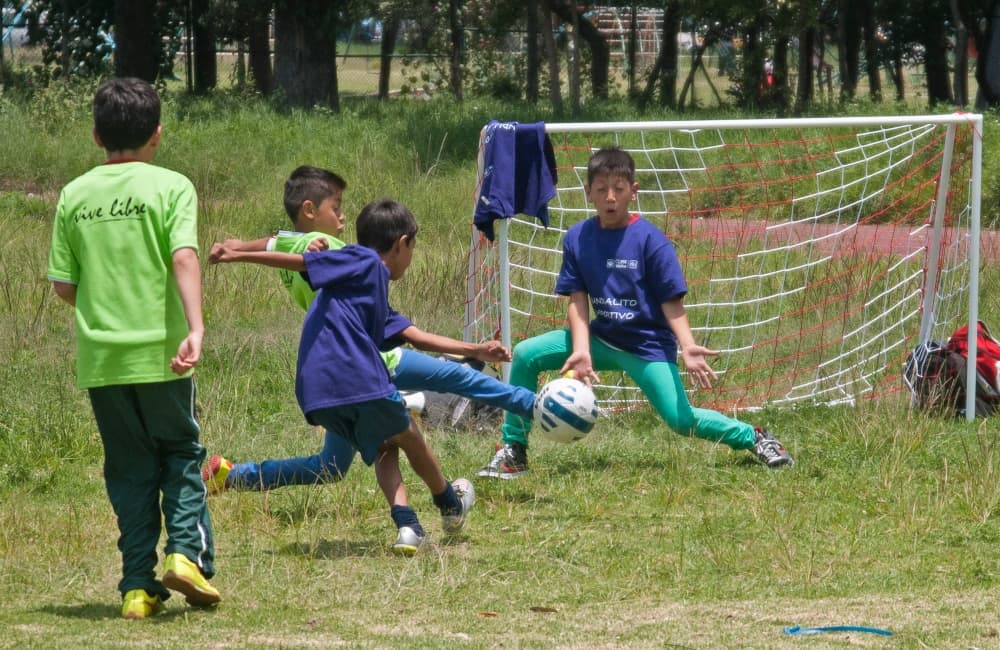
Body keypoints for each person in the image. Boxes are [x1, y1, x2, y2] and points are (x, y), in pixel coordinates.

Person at [201, 165, 535, 499]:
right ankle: (535, 407)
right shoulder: (339, 249)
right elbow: (312, 262)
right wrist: (237, 254)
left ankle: (235, 476)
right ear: (310, 210)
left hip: (337, 367)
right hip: (369, 359)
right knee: (456, 378)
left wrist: (241, 246)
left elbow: (276, 240)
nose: (343, 217)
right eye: (336, 207)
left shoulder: (293, 242)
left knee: (329, 466)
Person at [478, 147, 795, 480]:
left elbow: (671, 302)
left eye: (618, 189)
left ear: (634, 191)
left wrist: (687, 346)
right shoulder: (577, 238)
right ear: (589, 193)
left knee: (680, 420)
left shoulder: (651, 241)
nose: (610, 197)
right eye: (601, 189)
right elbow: (577, 299)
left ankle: (754, 436)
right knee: (527, 354)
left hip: (646, 347)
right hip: (601, 338)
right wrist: (582, 350)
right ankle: (513, 450)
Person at [209, 199, 475, 555]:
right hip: (355, 380)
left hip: (317, 388)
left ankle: (408, 527)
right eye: (413, 249)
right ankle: (449, 504)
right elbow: (302, 261)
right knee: (410, 436)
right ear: (403, 243)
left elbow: (411, 333)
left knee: (368, 451)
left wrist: (475, 350)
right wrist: (237, 256)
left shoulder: (364, 281)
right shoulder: (366, 261)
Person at [46, 77, 220, 619]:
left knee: (129, 469)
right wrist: (195, 327)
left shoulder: (75, 194)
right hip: (164, 353)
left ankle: (136, 588)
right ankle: (186, 556)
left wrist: (104, 314)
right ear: (158, 134)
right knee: (183, 454)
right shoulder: (172, 186)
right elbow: (184, 256)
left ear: (97, 136)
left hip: (103, 360)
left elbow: (64, 286)